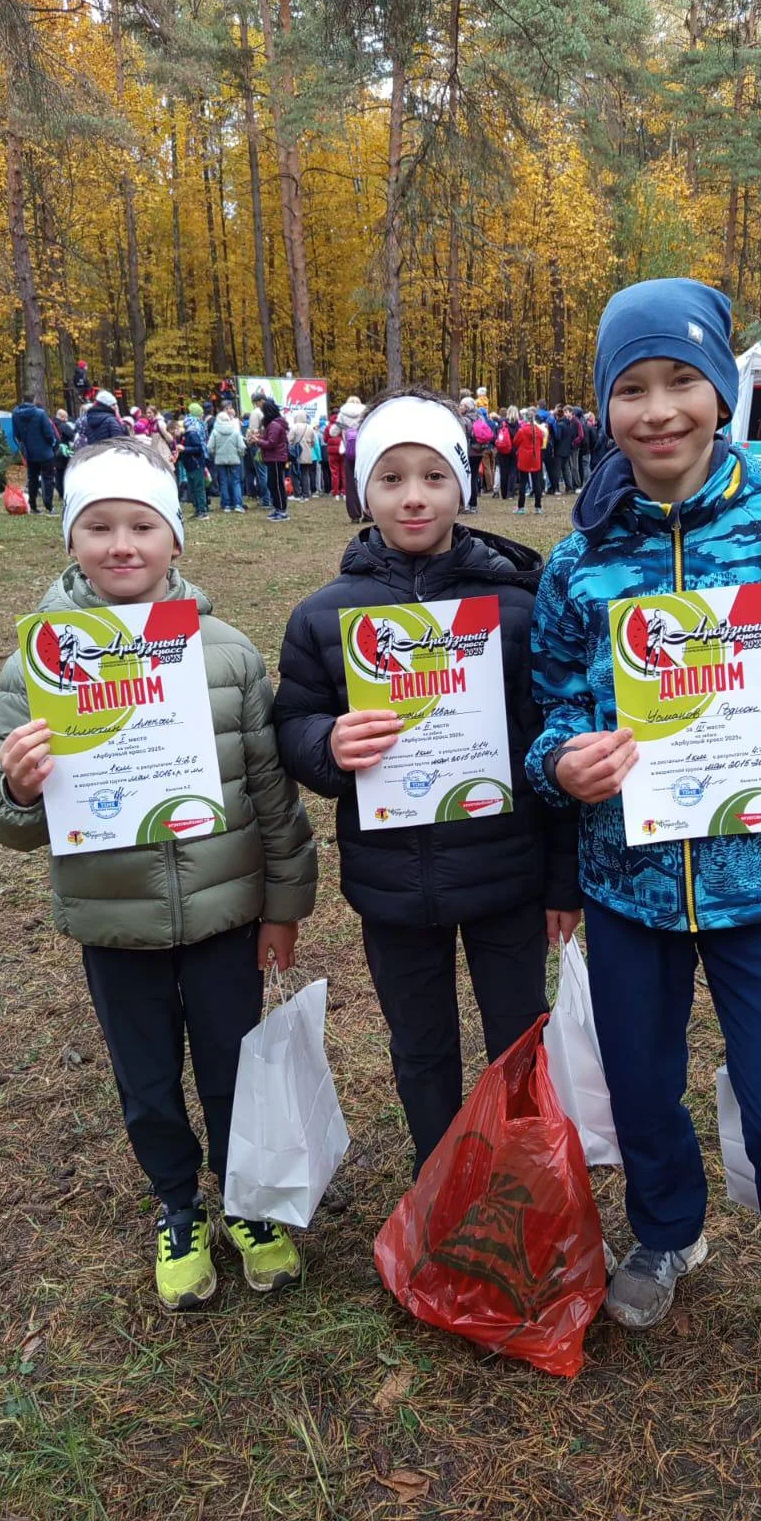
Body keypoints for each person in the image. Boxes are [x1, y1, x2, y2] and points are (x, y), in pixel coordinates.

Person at [525, 277, 761, 1478]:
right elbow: (550, 712)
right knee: (640, 1096)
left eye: (680, 381)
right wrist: (562, 763)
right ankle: (670, 1232)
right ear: (605, 405)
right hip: (629, 888)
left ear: (723, 390)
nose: (657, 411)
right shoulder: (582, 560)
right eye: (630, 389)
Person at [0, 437, 318, 1309]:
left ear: (176, 541)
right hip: (114, 921)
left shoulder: (229, 656)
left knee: (231, 1069)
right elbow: (6, 821)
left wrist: (283, 905)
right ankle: (177, 1203)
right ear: (70, 542)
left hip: (227, 914)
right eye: (98, 526)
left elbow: (271, 794)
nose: (121, 544)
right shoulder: (36, 668)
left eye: (142, 524)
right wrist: (19, 786)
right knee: (146, 1081)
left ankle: (249, 1204)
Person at [273, 389, 580, 1174]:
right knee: (419, 1044)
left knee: (519, 1032)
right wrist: (328, 744)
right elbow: (294, 724)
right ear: (360, 490)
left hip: (505, 872)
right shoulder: (323, 617)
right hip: (392, 884)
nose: (413, 496)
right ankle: (441, 1176)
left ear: (464, 486)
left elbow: (550, 738)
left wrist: (561, 880)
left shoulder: (516, 604)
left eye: (434, 477)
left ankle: (520, 1172)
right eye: (391, 478)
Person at [11, 393, 61, 515]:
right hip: (44, 451)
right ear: (34, 400)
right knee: (47, 478)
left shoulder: (15, 414)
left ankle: (33, 505)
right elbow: (48, 432)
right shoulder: (40, 413)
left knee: (32, 478)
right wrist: (52, 443)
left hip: (29, 451)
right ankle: (49, 506)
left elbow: (16, 433)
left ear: (23, 400)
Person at [209, 404, 247, 512]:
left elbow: (210, 447)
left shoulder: (215, 432)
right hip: (234, 459)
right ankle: (238, 505)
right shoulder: (235, 430)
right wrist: (240, 454)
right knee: (236, 481)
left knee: (223, 482)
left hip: (220, 460)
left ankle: (226, 505)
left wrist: (215, 453)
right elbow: (241, 446)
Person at [258, 398, 290, 521]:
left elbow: (271, 443)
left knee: (277, 485)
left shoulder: (274, 425)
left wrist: (258, 441)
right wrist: (260, 438)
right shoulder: (275, 424)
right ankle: (278, 508)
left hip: (276, 458)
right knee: (273, 484)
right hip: (274, 457)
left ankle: (282, 510)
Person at [179, 402, 211, 519]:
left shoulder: (192, 433)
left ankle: (202, 511)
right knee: (193, 488)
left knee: (199, 487)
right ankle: (198, 509)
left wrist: (185, 449)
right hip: (191, 464)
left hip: (196, 463)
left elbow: (199, 448)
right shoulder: (189, 432)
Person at [339, 395, 366, 523]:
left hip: (348, 452)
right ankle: (369, 513)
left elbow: (333, 432)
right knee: (365, 482)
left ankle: (354, 515)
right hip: (364, 451)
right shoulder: (366, 412)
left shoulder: (342, 413)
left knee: (350, 484)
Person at [513, 407, 545, 515]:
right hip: (535, 458)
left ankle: (521, 507)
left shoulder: (522, 430)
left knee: (523, 482)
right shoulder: (539, 431)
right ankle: (538, 507)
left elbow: (515, 441)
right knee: (537, 482)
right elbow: (541, 444)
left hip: (524, 459)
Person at [495, 406, 519, 501]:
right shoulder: (518, 425)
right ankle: (510, 494)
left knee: (503, 472)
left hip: (503, 450)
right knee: (513, 472)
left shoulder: (502, 424)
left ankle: (504, 493)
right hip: (514, 450)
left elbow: (496, 436)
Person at [324, 417, 345, 500]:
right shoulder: (342, 425)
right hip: (342, 450)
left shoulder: (328, 427)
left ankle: (336, 493)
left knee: (334, 473)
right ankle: (344, 493)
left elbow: (325, 439)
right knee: (344, 473)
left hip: (332, 453)